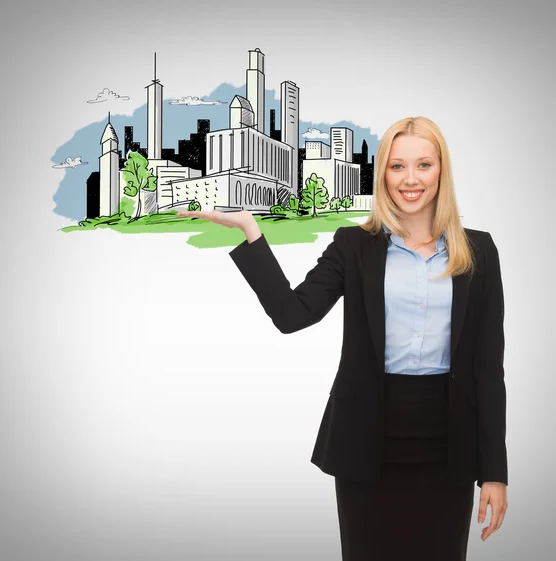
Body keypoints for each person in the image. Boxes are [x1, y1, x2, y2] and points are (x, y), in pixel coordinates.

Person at [177, 115, 508, 561]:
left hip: (449, 445)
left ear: (441, 172)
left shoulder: (480, 250)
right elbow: (292, 315)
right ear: (382, 175)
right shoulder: (354, 245)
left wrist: (494, 473)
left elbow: (488, 370)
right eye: (396, 167)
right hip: (367, 439)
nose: (410, 179)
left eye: (424, 165)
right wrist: (251, 231)